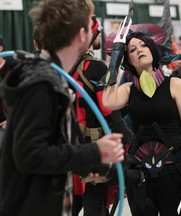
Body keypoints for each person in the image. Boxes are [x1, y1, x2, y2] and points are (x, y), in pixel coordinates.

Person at [0, 1, 125, 216]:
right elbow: (30, 155)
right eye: (90, 24)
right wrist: (93, 151)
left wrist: (88, 163)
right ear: (81, 34)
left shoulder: (47, 77)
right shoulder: (42, 83)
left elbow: (49, 146)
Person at [102, 30, 181, 216]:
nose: (139, 50)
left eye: (144, 45)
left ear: (153, 50)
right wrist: (114, 59)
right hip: (140, 175)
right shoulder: (128, 90)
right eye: (132, 49)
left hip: (172, 172)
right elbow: (108, 102)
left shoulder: (175, 85)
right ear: (128, 60)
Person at [71, 17, 133, 216]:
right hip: (97, 147)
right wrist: (129, 139)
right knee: (94, 200)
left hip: (75, 145)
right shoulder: (95, 67)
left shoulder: (67, 67)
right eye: (97, 31)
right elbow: (109, 109)